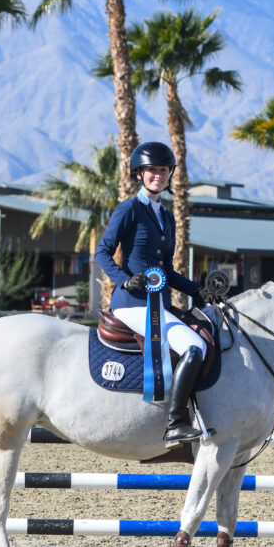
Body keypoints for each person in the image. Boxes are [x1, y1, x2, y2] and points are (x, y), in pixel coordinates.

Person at [96, 141, 207, 447]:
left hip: (159, 304)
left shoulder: (167, 217)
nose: (158, 175)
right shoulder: (129, 209)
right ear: (139, 174)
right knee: (194, 346)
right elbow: (102, 252)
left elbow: (166, 271)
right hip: (131, 305)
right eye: (152, 170)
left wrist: (197, 289)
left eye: (163, 170)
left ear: (170, 174)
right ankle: (175, 423)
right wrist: (124, 281)